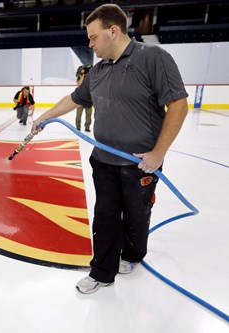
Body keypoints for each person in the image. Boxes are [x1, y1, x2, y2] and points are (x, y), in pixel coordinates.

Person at [32, 3, 188, 294]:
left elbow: (178, 104)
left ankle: (132, 254)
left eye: (93, 37)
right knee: (105, 215)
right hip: (103, 160)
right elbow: (76, 98)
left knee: (136, 215)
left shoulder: (153, 57)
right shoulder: (98, 71)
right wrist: (45, 116)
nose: (90, 44)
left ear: (113, 31)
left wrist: (158, 153)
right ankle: (102, 271)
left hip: (140, 163)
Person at [75, 64, 93, 132]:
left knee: (89, 116)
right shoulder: (80, 76)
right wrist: (83, 76)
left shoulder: (91, 77)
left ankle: (87, 127)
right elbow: (79, 84)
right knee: (78, 115)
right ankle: (78, 127)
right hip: (80, 99)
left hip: (89, 100)